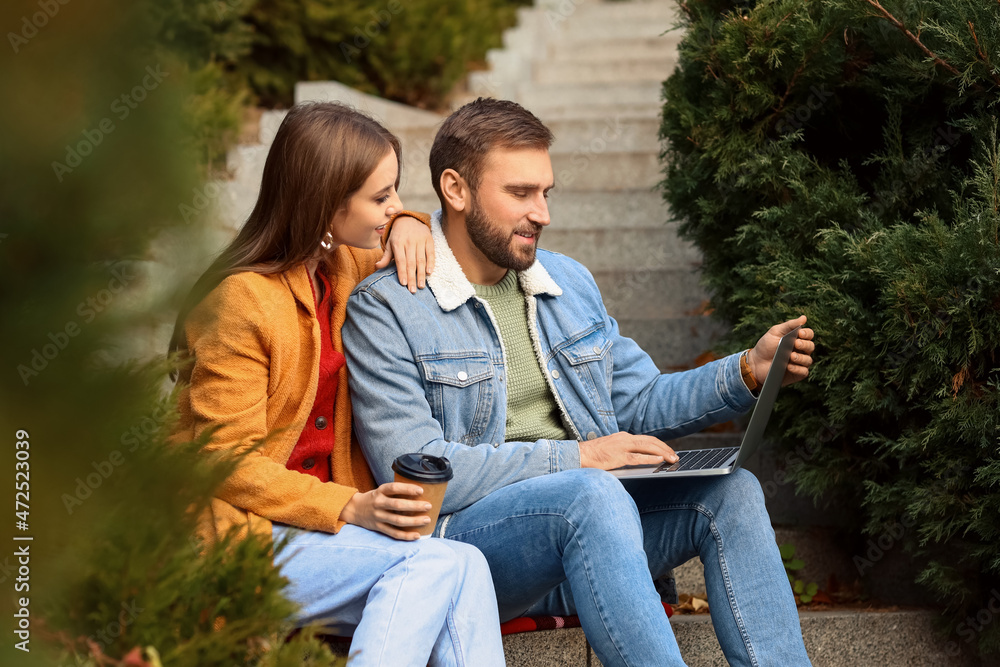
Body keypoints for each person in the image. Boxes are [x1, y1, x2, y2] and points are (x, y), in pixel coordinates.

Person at [343, 97, 816, 667]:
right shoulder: (388, 307)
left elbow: (637, 401)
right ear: (455, 189)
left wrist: (745, 371)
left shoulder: (565, 281)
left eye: (546, 193)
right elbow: (418, 467)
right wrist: (579, 458)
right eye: (520, 193)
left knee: (732, 493)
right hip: (477, 553)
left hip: (597, 546)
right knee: (589, 494)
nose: (541, 213)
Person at [169, 102, 506, 667]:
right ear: (325, 201)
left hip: (320, 538)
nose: (394, 204)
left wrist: (403, 222)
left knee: (463, 562)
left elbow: (413, 224)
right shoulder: (240, 302)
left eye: (393, 191)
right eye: (381, 197)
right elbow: (224, 460)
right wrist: (352, 506)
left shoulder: (340, 264)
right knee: (435, 563)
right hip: (246, 535)